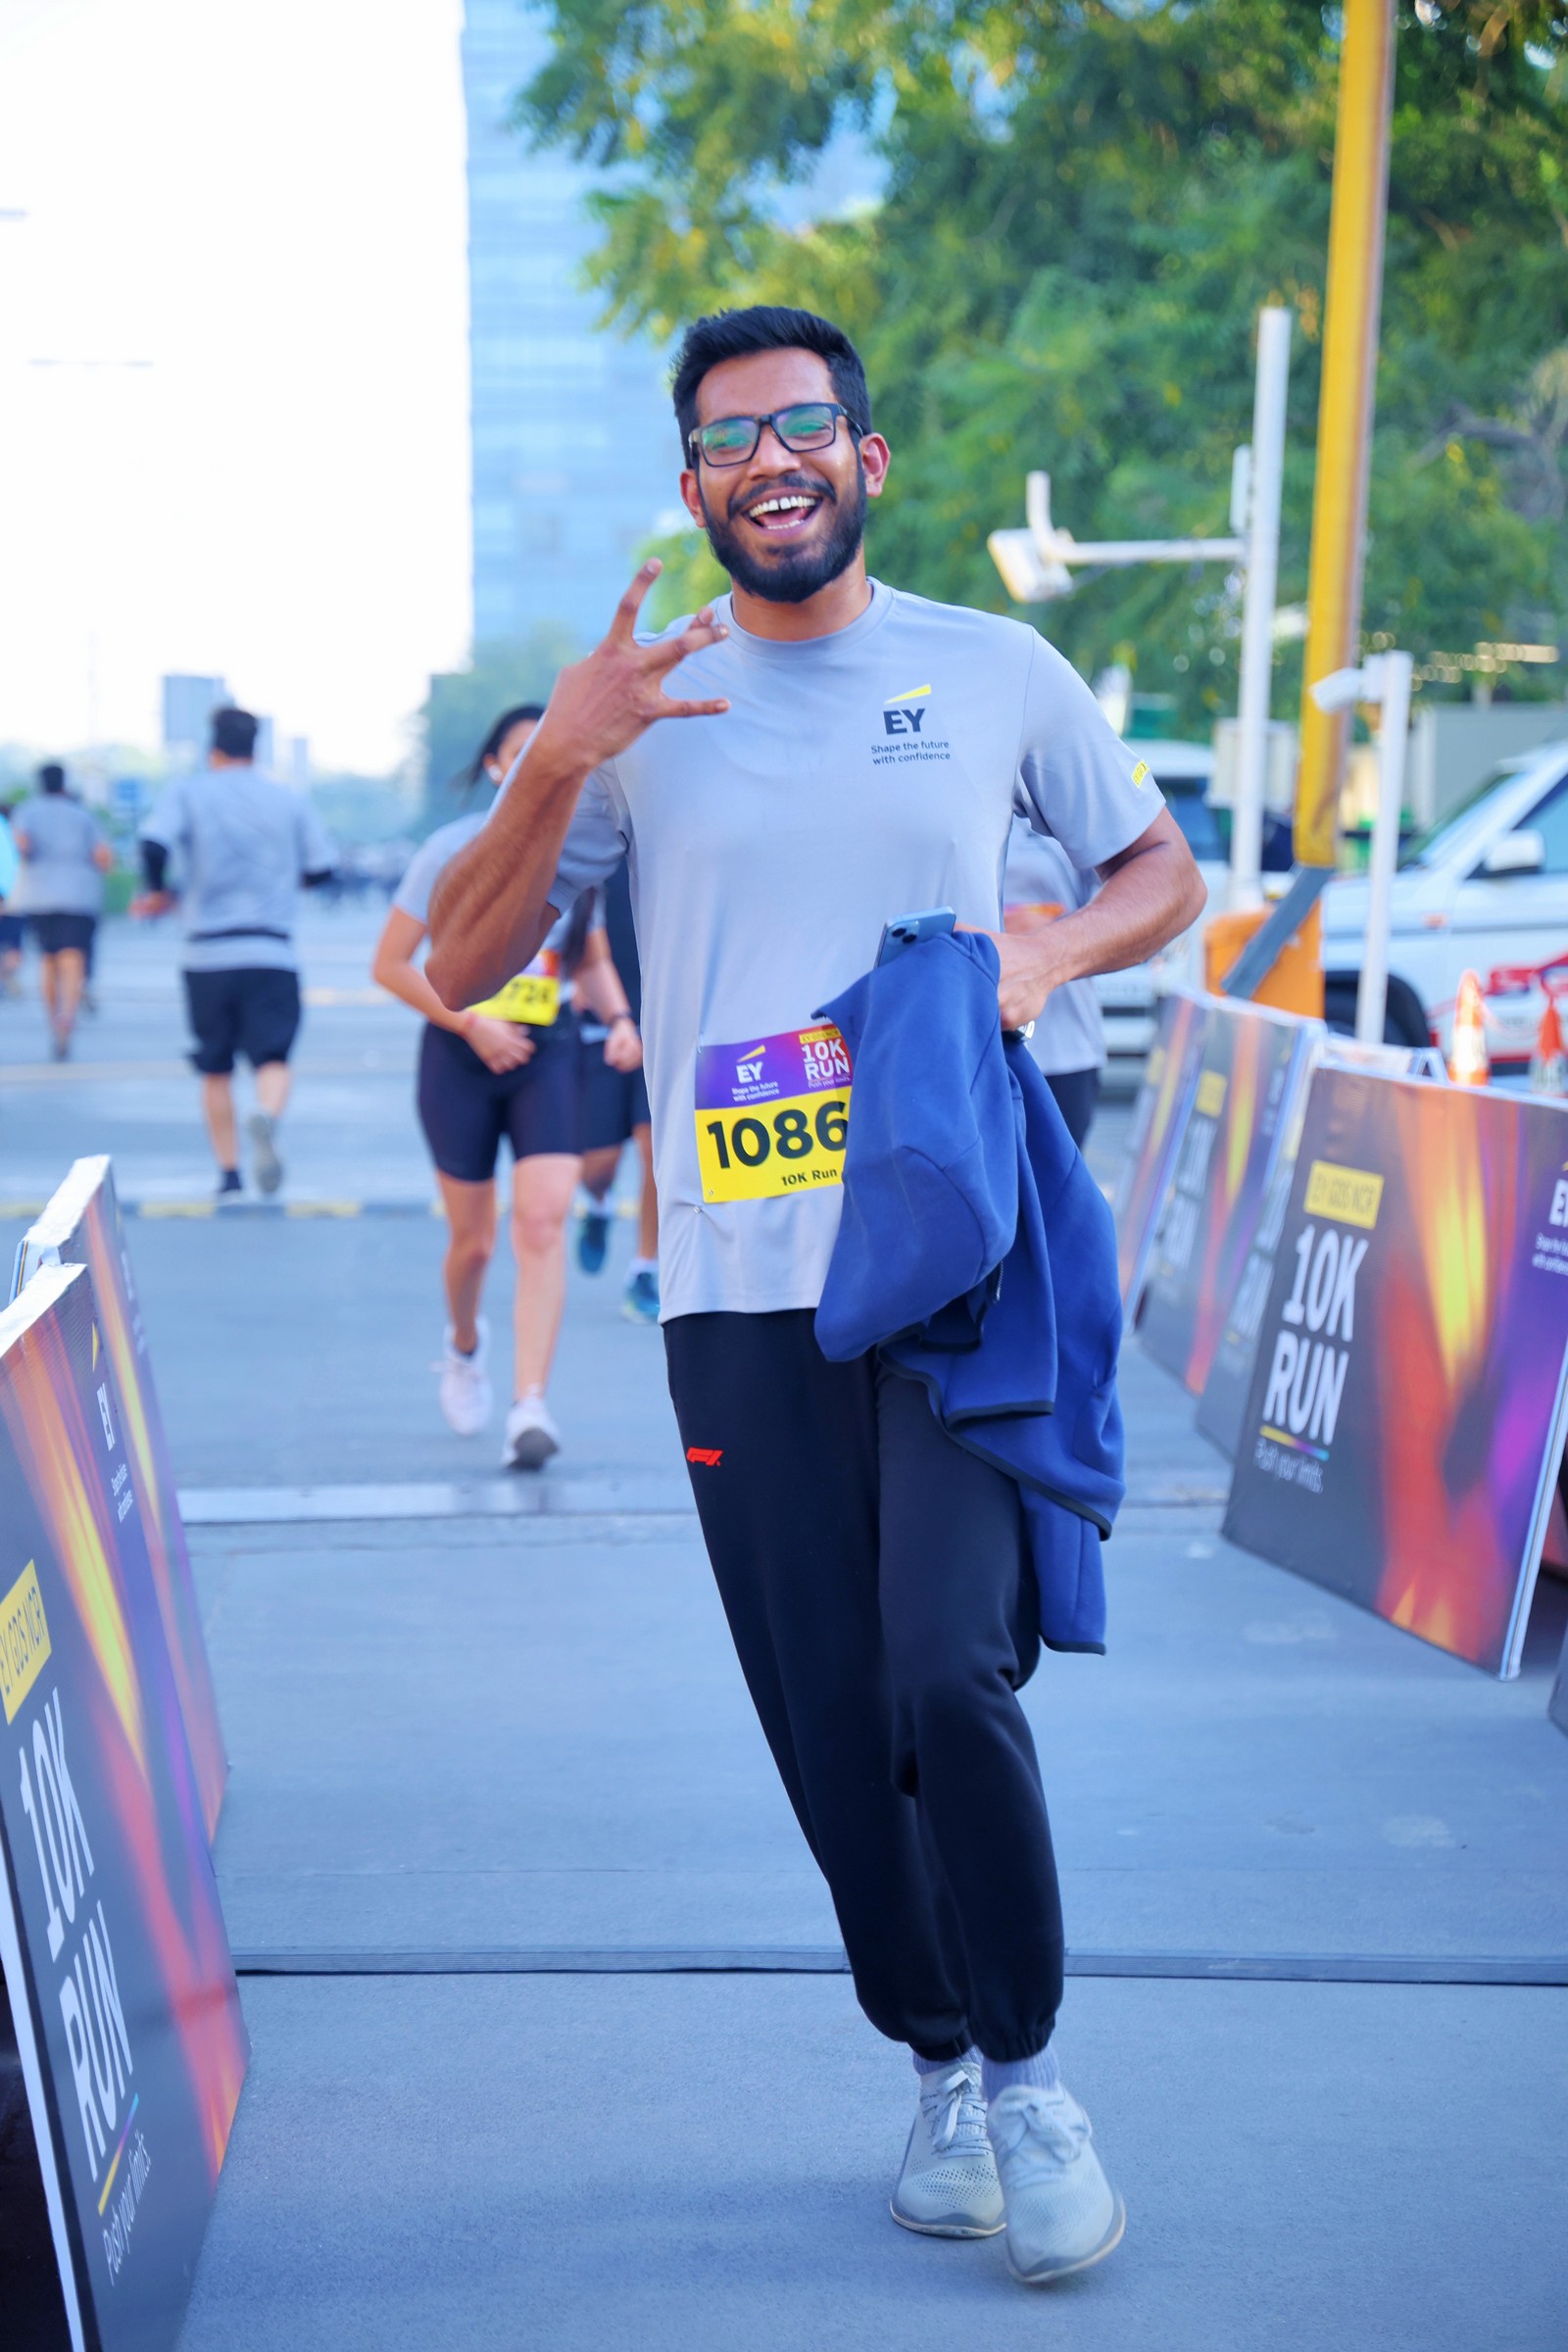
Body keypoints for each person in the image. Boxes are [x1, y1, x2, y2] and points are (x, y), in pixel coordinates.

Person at [426, 306, 1202, 2286]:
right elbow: (462, 954)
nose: (766, 461)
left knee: (948, 1664)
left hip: (951, 1257)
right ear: (692, 486)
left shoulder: (993, 668)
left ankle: (1031, 2080)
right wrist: (556, 764)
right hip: (736, 1290)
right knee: (831, 1711)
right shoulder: (644, 712)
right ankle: (935, 2061)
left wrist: (1046, 955)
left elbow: (1158, 870)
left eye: (799, 426)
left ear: (865, 456)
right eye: (725, 439)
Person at [371, 706, 643, 1469]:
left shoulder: (580, 848)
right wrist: (471, 1025)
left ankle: (530, 1405)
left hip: (547, 1052)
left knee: (543, 1223)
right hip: (460, 1056)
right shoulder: (448, 850)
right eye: (519, 754)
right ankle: (464, 1345)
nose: (534, 767)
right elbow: (390, 965)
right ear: (496, 767)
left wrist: (619, 1019)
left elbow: (588, 958)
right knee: (475, 1244)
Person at [137, 707, 334, 1198]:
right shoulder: (287, 799)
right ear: (256, 747)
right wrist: (284, 882)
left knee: (215, 1068)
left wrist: (158, 891)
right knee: (273, 1058)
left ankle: (228, 1174)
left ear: (213, 748)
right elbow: (323, 868)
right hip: (271, 950)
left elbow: (153, 844)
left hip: (206, 953)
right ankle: (265, 1114)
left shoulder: (188, 792)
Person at [575, 856, 660, 1323]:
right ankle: (599, 1201)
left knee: (655, 1150)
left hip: (661, 1022)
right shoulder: (594, 848)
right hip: (602, 1026)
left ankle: (644, 1270)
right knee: (598, 1165)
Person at [1002, 814, 1107, 1151]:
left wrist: (1045, 936)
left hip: (1064, 1046)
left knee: (1059, 1170)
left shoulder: (1066, 817)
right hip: (978, 1044)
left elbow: (1123, 907)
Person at [8, 762, 112, 1057]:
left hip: (40, 896)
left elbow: (21, 846)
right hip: (79, 896)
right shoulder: (82, 815)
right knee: (73, 960)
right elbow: (103, 857)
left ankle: (54, 1023)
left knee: (48, 961)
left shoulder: (27, 811)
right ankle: (68, 1019)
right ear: (64, 783)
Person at [0, 803, 23, 999]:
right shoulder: (16, 833)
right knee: (14, 944)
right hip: (16, 899)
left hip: (9, 896)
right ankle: (6, 977)